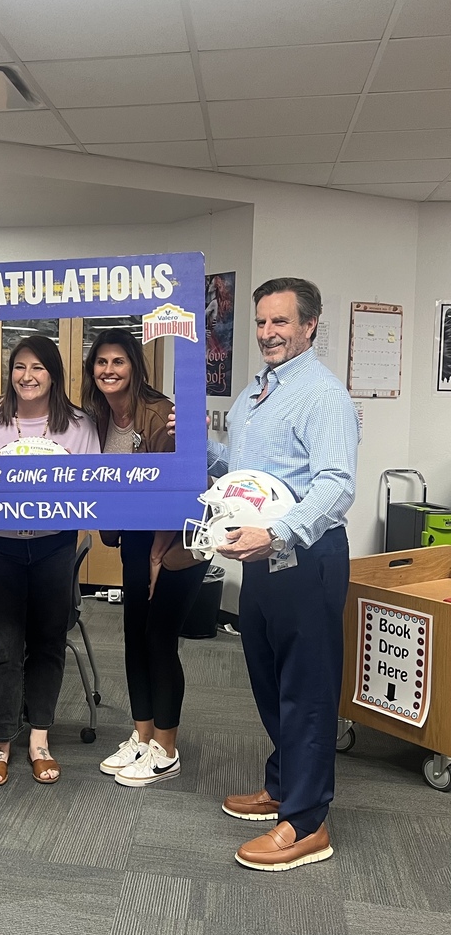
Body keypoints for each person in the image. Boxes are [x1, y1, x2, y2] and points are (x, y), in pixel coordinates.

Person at [207, 277, 358, 871]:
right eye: (262, 323)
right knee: (268, 678)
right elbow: (240, 471)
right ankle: (281, 785)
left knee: (308, 692)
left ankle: (306, 821)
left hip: (306, 558)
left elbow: (336, 486)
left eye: (280, 323)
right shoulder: (254, 394)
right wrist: (193, 445)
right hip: (262, 561)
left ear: (309, 326)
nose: (268, 334)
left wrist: (276, 532)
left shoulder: (324, 395)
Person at [0, 335, 99, 786]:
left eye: (37, 368)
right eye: (19, 367)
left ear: (53, 374)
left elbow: (93, 486)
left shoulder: (77, 424)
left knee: (49, 640)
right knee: (3, 644)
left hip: (54, 544)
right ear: (10, 372)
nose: (27, 376)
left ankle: (39, 740)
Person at [80, 328, 209, 788]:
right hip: (136, 539)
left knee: (159, 639)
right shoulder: (95, 418)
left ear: (134, 365)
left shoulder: (161, 413)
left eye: (118, 361)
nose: (109, 370)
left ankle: (166, 749)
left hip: (178, 543)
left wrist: (159, 551)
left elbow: (181, 489)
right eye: (101, 362)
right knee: (135, 634)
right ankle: (142, 736)